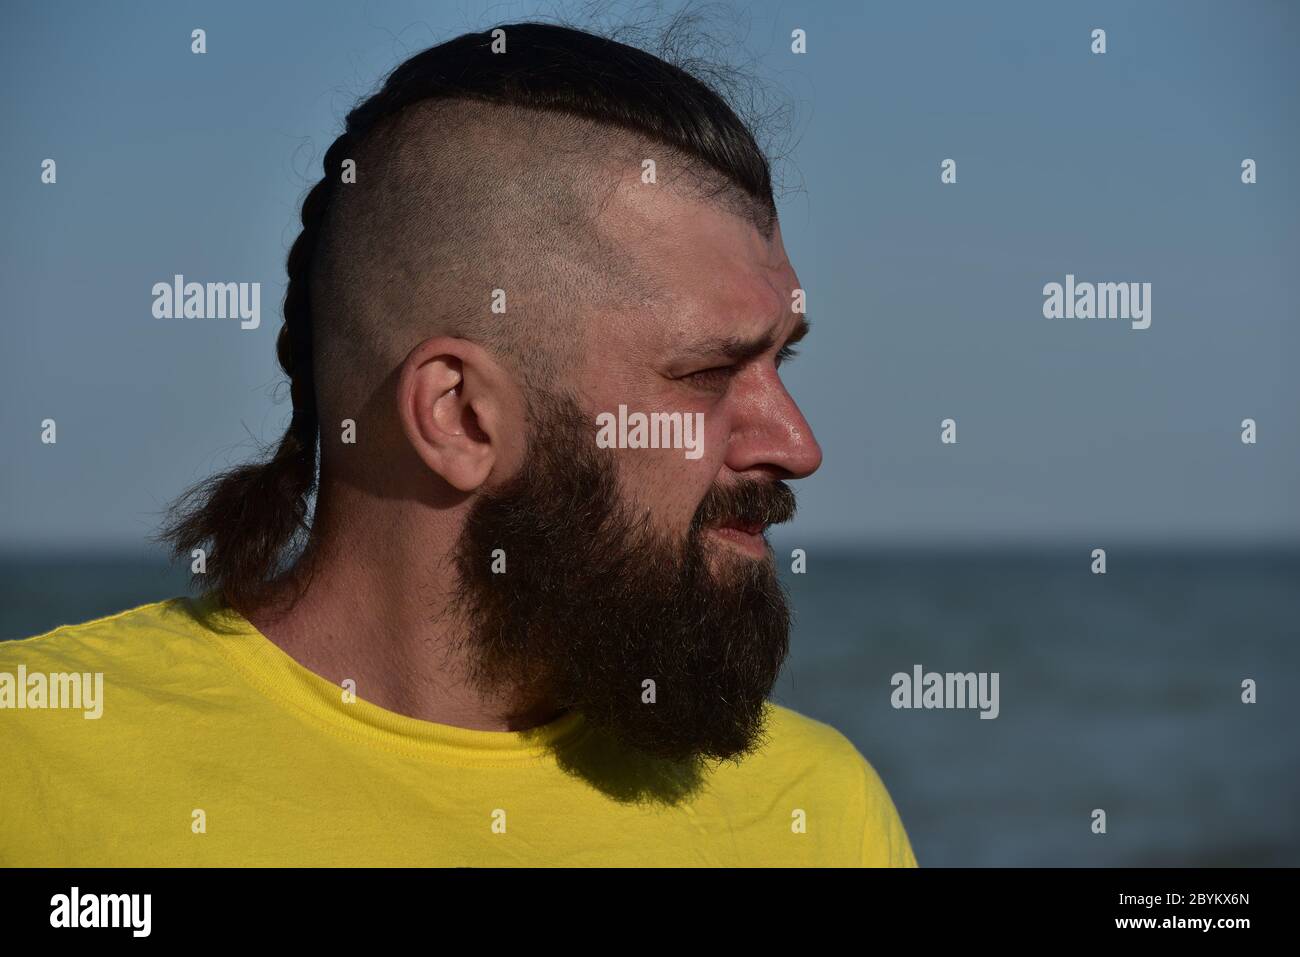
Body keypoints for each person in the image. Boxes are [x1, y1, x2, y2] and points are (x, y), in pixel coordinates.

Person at [0, 22, 916, 867]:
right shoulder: (33, 759)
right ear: (460, 415)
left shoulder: (815, 812)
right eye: (710, 374)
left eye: (780, 361)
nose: (797, 445)